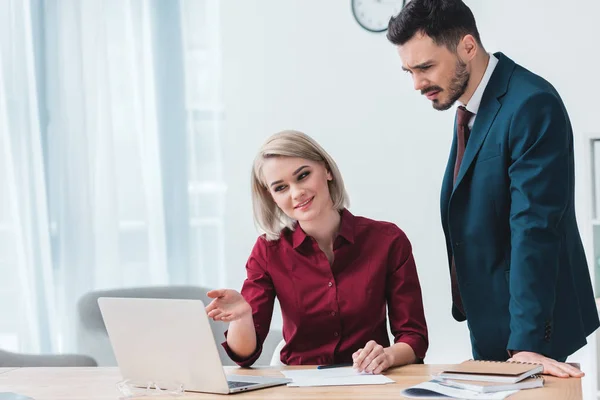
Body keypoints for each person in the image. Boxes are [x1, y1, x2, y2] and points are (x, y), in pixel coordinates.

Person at [387, 0, 599, 378]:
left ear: (468, 46)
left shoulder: (531, 104)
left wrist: (528, 343)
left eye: (425, 67)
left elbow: (534, 228)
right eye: (408, 70)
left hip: (531, 330)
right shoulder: (471, 107)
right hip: (491, 323)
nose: (417, 84)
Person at [205, 130, 428, 373]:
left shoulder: (387, 240)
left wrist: (387, 355)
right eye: (281, 188)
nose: (296, 192)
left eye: (303, 175)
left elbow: (413, 338)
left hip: (370, 382)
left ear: (327, 171)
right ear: (272, 198)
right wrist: (242, 318)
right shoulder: (268, 252)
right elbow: (244, 356)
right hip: (300, 387)